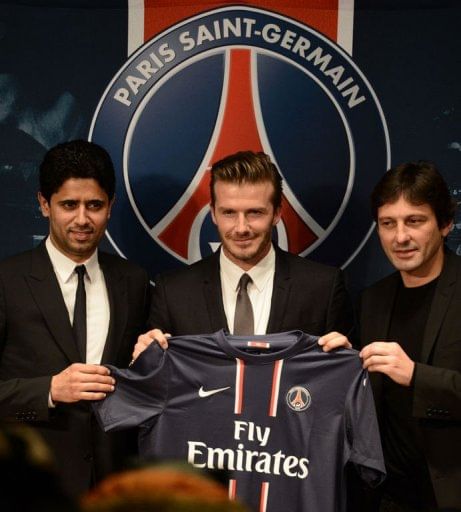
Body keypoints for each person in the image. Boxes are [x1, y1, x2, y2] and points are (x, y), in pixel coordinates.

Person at [0, 140, 151, 498]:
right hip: (28, 488)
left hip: (114, 490)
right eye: (69, 205)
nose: (82, 219)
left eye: (94, 205)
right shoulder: (6, 281)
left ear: (110, 207)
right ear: (43, 204)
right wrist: (49, 391)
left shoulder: (133, 280)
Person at [133, 150, 352, 357]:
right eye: (229, 213)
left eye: (255, 212)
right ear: (213, 214)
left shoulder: (323, 287)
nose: (241, 228)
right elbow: (156, 383)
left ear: (277, 213)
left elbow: (342, 381)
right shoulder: (173, 292)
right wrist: (144, 360)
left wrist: (346, 360)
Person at [357, 161, 461, 511]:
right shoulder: (373, 299)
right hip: (386, 498)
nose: (400, 237)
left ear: (445, 224)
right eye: (388, 224)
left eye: (414, 221)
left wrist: (417, 376)